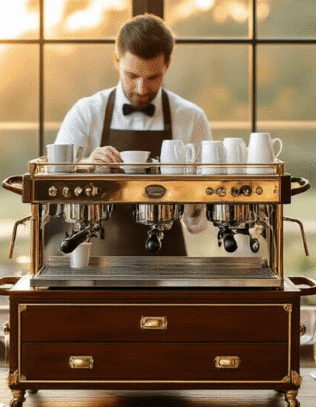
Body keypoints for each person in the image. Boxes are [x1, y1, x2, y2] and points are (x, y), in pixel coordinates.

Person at [52, 13, 212, 256]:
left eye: (153, 78)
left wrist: (192, 195)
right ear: (117, 60)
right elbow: (55, 183)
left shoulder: (191, 118)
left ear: (167, 65)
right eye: (132, 76)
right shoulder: (86, 112)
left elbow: (198, 225)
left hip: (169, 259)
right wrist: (85, 165)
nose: (141, 89)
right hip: (100, 256)